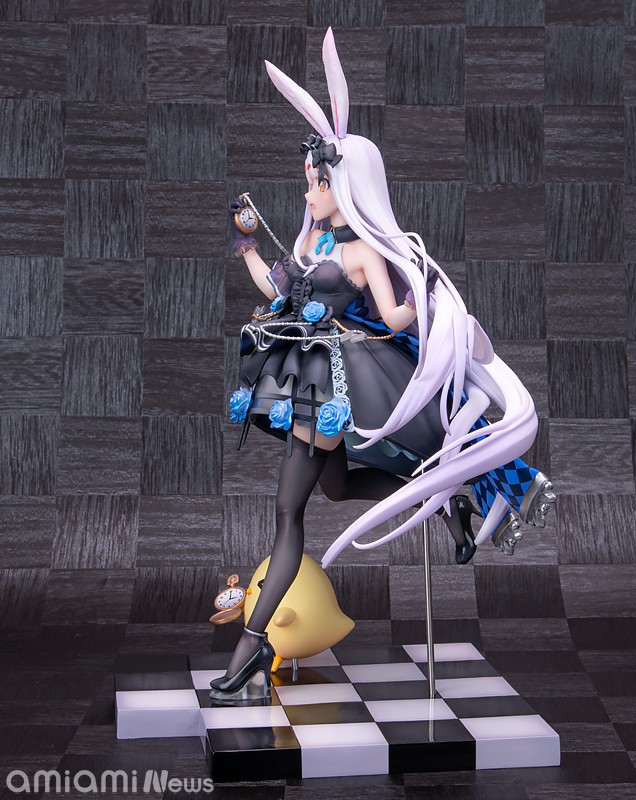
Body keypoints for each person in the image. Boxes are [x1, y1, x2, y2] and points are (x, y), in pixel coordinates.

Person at [210, 29, 555, 702]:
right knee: (337, 490)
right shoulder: (311, 245)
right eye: (308, 185)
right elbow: (278, 290)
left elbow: (393, 317)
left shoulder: (364, 253)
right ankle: (447, 501)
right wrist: (246, 246)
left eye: (317, 185)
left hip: (330, 382)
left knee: (288, 514)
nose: (309, 195)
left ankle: (251, 646)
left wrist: (427, 304)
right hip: (308, 374)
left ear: (344, 185)